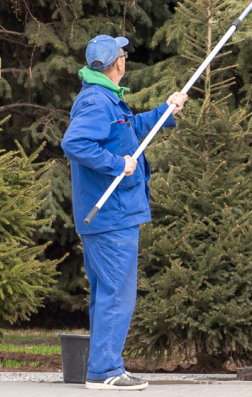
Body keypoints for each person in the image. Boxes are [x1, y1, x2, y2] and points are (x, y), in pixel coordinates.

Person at [61, 34, 187, 391]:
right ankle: (105, 371)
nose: (126, 58)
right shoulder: (96, 102)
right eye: (124, 54)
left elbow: (131, 134)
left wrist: (166, 110)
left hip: (113, 215)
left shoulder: (106, 98)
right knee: (117, 294)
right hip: (110, 217)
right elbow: (74, 143)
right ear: (120, 62)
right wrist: (117, 164)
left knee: (109, 293)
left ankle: (103, 367)